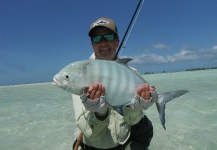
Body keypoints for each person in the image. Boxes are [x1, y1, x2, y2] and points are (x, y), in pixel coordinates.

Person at [72, 17, 158, 150]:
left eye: (109, 37)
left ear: (117, 41)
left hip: (124, 143)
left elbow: (133, 121)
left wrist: (136, 108)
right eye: (97, 38)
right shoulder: (82, 75)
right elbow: (91, 133)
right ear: (92, 44)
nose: (103, 43)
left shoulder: (132, 73)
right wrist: (100, 113)